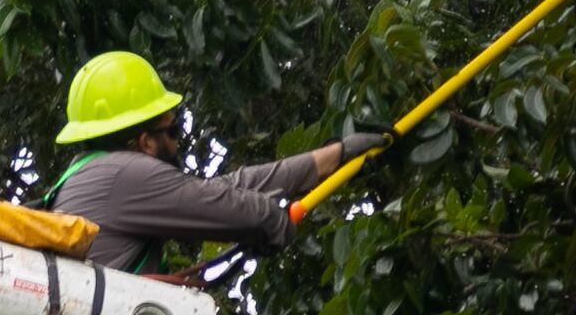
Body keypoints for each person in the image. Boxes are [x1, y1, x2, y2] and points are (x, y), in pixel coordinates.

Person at [45, 51, 390, 273]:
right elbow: (236, 209)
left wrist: (336, 155)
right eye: (173, 129)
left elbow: (219, 191)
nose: (179, 141)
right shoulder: (127, 176)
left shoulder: (86, 176)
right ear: (145, 142)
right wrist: (273, 220)